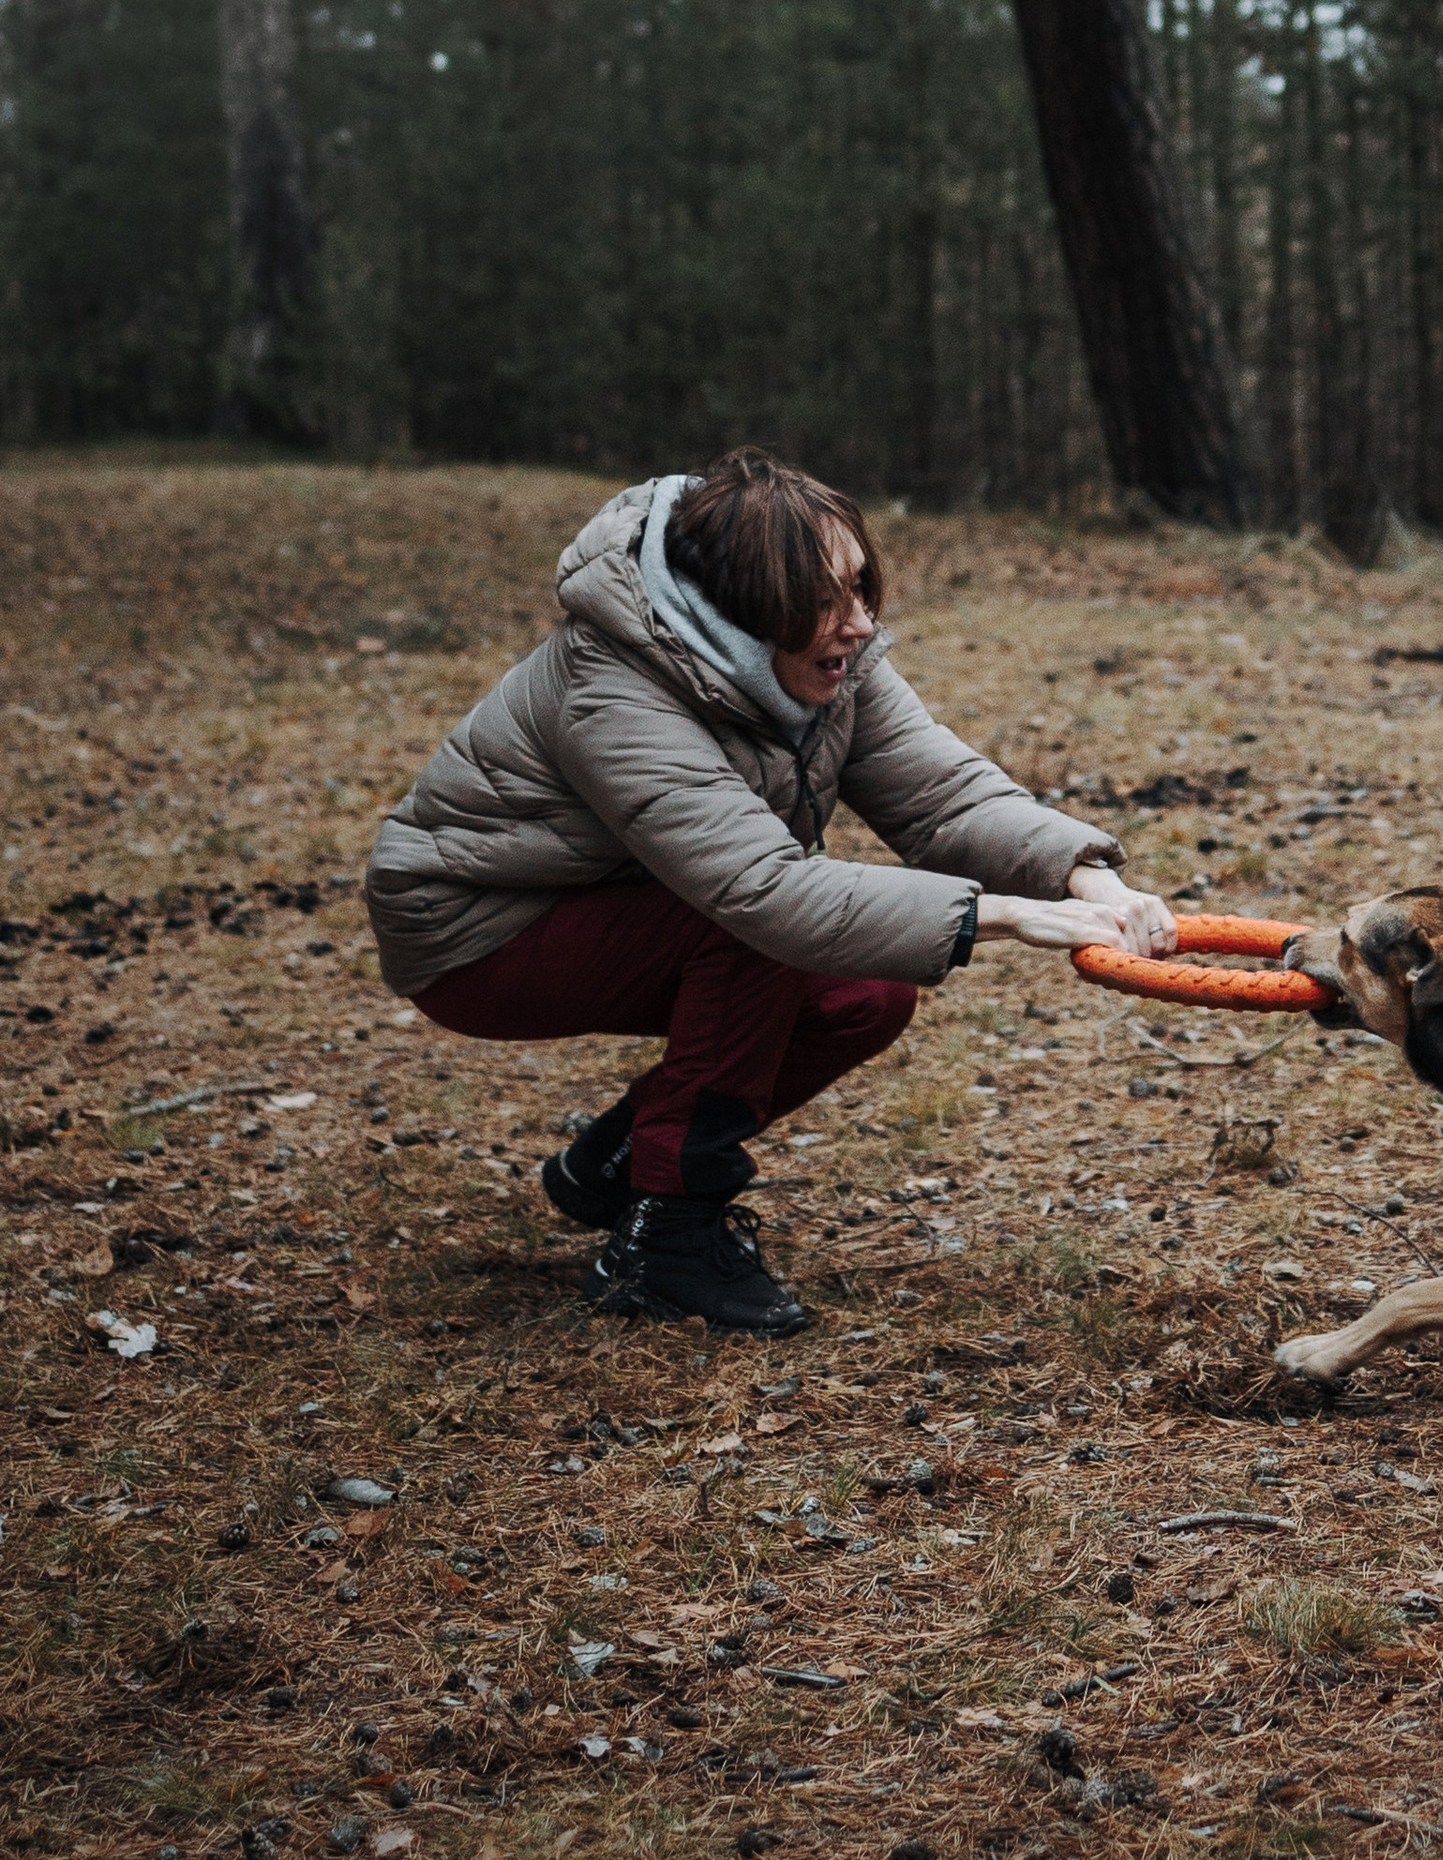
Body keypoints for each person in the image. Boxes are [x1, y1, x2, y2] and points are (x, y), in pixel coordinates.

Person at [364, 451, 1174, 1335]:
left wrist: (1087, 875)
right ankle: (666, 1235)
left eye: (860, 587)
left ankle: (615, 1166)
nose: (859, 623)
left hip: (639, 904)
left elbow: (943, 797)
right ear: (742, 610)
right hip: (477, 931)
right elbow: (765, 892)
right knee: (757, 929)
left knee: (865, 996)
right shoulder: (612, 690)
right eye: (825, 599)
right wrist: (1009, 915)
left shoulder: (827, 660)